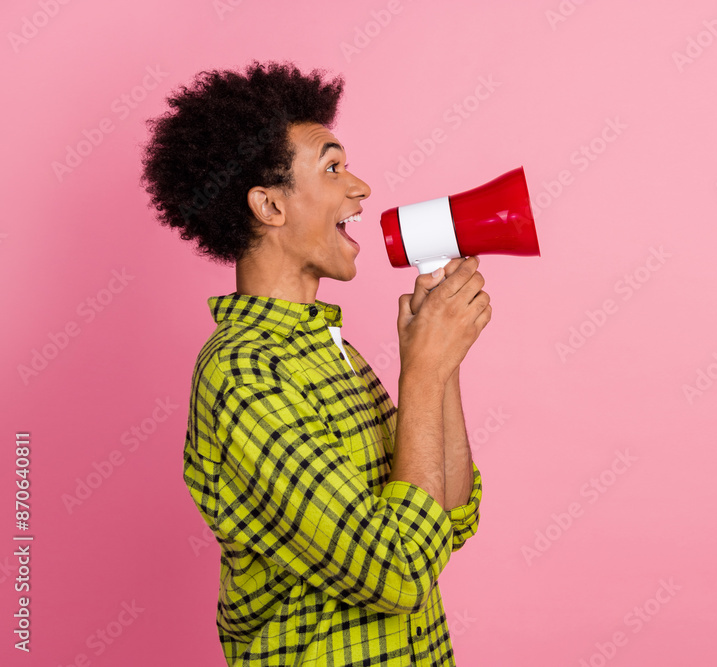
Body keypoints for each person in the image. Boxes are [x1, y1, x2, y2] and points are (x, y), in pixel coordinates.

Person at [140, 60, 490, 666]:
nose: (360, 188)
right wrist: (424, 371)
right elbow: (400, 572)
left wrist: (441, 358)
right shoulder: (243, 375)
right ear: (270, 207)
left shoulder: (331, 351)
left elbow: (449, 519)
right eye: (332, 168)